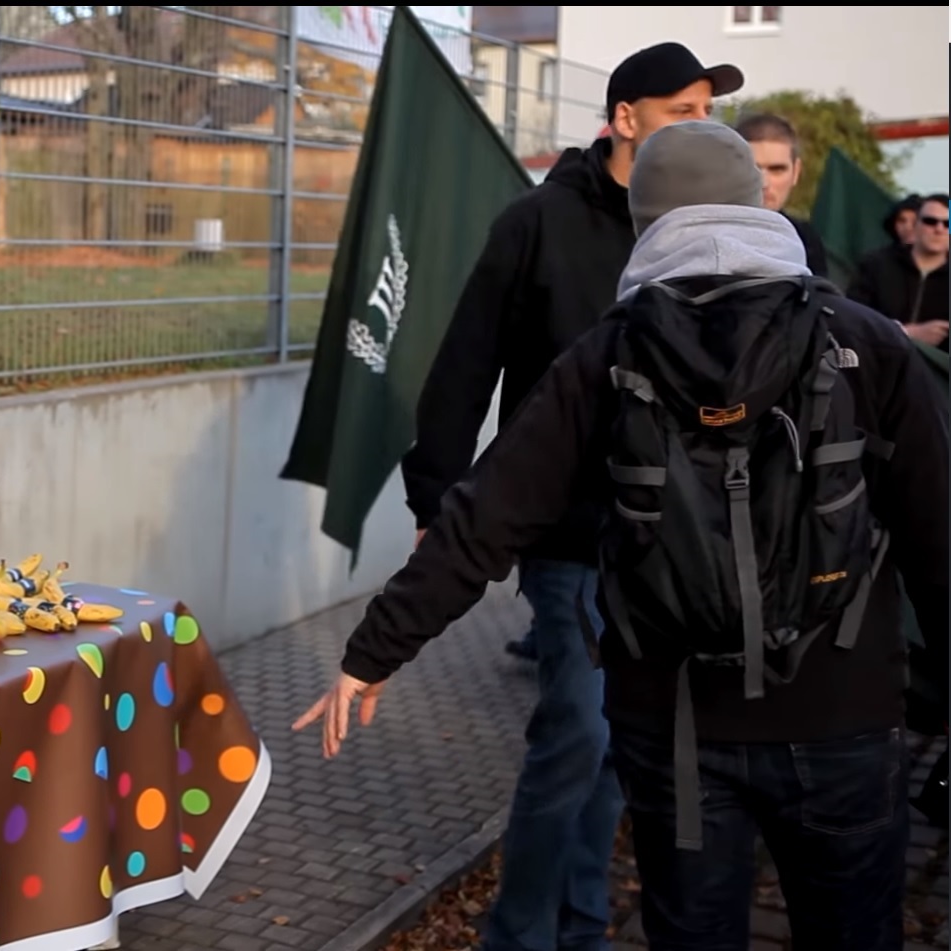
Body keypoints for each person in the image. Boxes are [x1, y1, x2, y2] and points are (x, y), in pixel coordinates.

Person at [295, 120, 950, 951]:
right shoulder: (864, 341)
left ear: (644, 221)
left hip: (673, 723)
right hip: (842, 710)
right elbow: (936, 530)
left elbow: (489, 512)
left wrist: (373, 651)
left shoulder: (608, 351)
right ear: (757, 204)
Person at [395, 41, 744, 951]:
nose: (701, 127)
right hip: (568, 533)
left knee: (620, 746)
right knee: (578, 733)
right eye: (681, 111)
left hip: (672, 542)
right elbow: (466, 362)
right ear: (624, 119)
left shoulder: (702, 232)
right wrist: (437, 500)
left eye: (708, 112)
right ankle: (518, 934)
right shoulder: (536, 223)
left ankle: (580, 925)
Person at [847, 192, 950, 350]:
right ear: (916, 225)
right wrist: (904, 332)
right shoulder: (876, 265)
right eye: (930, 221)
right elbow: (852, 319)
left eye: (947, 224)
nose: (939, 229)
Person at [732, 112, 830, 276]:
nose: (764, 182)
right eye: (752, 168)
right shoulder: (703, 235)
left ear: (796, 172)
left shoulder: (807, 240)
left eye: (777, 169)